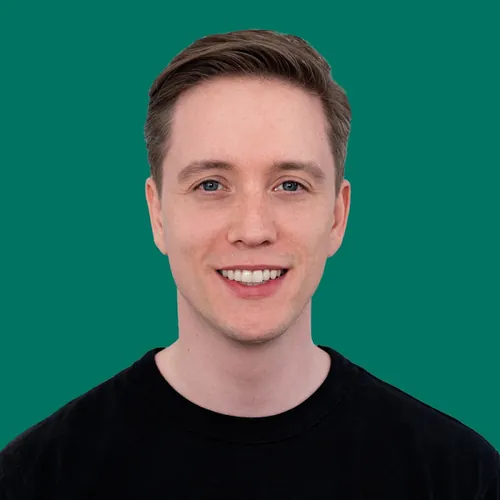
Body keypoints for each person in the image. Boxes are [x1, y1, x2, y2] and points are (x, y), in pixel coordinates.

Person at [0, 28, 498, 500]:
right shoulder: (37, 478)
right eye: (211, 185)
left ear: (337, 216)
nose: (253, 229)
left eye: (290, 185)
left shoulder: (459, 476)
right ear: (157, 214)